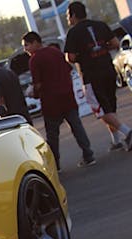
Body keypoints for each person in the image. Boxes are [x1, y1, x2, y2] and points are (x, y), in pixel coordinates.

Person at [64, 1, 132, 151]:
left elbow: (71, 57)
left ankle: (128, 132)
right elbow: (115, 43)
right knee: (109, 107)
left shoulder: (74, 32)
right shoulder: (100, 25)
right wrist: (101, 48)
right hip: (108, 69)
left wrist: (85, 54)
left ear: (74, 15)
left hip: (91, 75)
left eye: (68, 16)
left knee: (100, 110)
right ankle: (116, 140)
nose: (68, 19)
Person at [22, 31, 95, 169]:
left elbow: (37, 84)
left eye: (27, 45)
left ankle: (55, 165)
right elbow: (68, 69)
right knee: (77, 127)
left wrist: (34, 93)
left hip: (51, 102)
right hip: (67, 96)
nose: (26, 49)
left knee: (52, 134)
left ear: (35, 43)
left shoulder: (35, 59)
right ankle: (88, 154)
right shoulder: (55, 51)